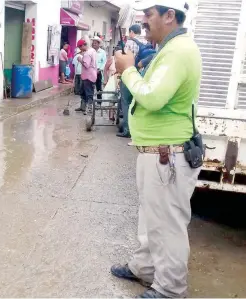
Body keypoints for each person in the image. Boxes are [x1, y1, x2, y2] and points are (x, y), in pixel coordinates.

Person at [112, 1, 202, 298]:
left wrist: (127, 72)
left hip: (168, 154)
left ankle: (170, 290)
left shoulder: (178, 51)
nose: (143, 21)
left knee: (167, 225)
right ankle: (144, 269)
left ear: (169, 15)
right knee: (151, 218)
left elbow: (152, 98)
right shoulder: (170, 49)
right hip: (160, 153)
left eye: (148, 15)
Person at [117, 24, 144, 138]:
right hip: (141, 75)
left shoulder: (129, 43)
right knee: (137, 103)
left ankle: (127, 130)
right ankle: (137, 128)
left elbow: (124, 60)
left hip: (129, 75)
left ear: (132, 31)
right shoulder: (144, 43)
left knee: (126, 102)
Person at [75, 39, 97, 114]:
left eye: (80, 47)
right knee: (83, 92)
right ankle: (83, 106)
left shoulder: (87, 53)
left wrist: (80, 59)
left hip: (88, 76)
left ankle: (89, 108)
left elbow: (86, 65)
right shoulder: (92, 51)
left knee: (88, 92)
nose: (80, 49)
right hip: (91, 74)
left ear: (83, 45)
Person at [92, 36, 106, 105]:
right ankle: (90, 101)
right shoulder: (91, 51)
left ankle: (99, 102)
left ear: (98, 44)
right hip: (91, 71)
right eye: (93, 43)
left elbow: (104, 62)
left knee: (99, 86)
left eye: (95, 43)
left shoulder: (102, 52)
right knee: (90, 86)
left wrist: (99, 69)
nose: (94, 44)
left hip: (98, 71)